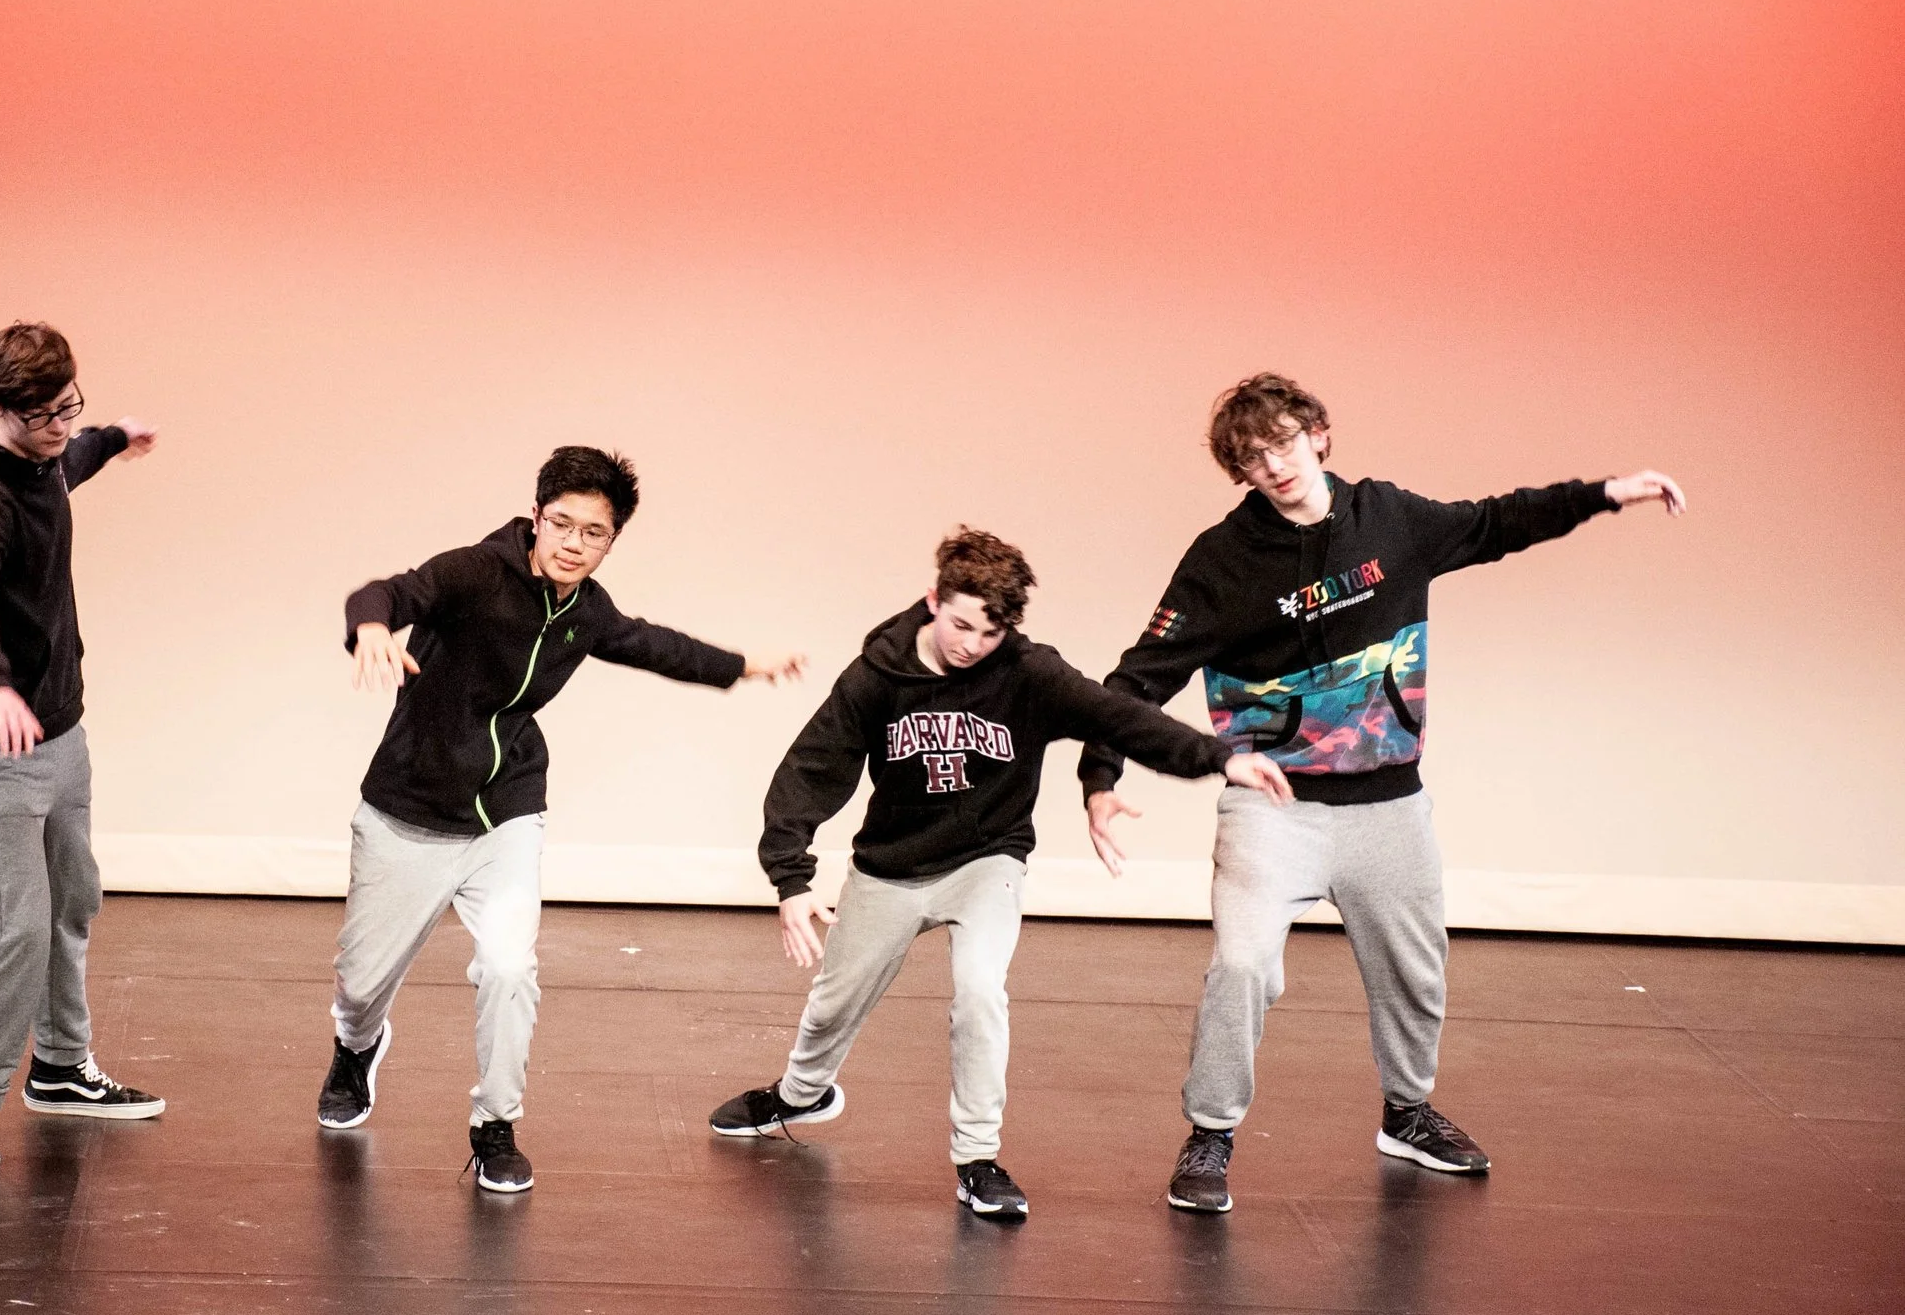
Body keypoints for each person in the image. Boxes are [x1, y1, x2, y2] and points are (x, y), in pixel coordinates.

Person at [1077, 373, 1687, 1214]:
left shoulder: (1390, 520)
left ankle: (1407, 1112)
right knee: (1244, 965)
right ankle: (1211, 1131)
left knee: (1415, 970)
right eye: (1254, 458)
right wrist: (1098, 779)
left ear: (1321, 435)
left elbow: (1495, 521)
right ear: (1240, 472)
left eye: (1286, 443)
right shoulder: (1221, 560)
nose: (1276, 465)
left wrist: (1607, 494)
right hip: (1273, 802)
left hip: (1389, 802)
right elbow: (1134, 680)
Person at [708, 529, 1294, 1220]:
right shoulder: (877, 675)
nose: (970, 645)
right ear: (933, 600)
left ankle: (977, 1157)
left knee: (982, 991)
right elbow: (811, 769)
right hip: (891, 866)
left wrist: (1217, 758)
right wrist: (792, 877)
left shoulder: (1027, 672)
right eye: (959, 624)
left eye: (988, 633)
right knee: (834, 1003)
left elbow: (1120, 716)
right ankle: (802, 1094)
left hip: (989, 859)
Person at [323, 446, 805, 1193]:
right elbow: (384, 591)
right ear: (537, 516)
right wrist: (372, 630)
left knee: (510, 967)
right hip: (408, 808)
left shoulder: (588, 611)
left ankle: (495, 1123)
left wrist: (744, 664)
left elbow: (656, 645)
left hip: (506, 812)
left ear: (613, 540)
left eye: (595, 532)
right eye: (562, 524)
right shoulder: (471, 572)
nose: (575, 543)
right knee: (360, 983)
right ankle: (356, 1047)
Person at [0, 322, 167, 1176]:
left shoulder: (46, 453)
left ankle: (62, 1067)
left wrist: (109, 437)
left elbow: (66, 467)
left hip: (61, 729)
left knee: (74, 897)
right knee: (19, 924)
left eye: (71, 406)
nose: (60, 426)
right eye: (42, 416)